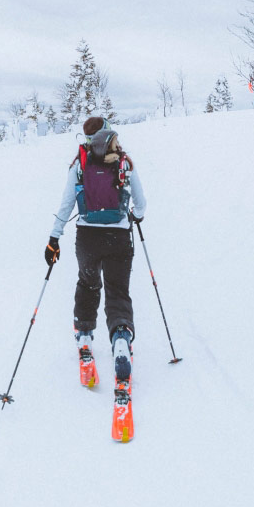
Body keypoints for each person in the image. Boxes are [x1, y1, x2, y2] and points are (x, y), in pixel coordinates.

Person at [45, 116, 147, 389]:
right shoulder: (124, 162)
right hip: (119, 236)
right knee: (117, 291)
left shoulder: (80, 164)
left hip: (87, 237)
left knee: (88, 285)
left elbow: (66, 204)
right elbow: (141, 204)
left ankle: (86, 338)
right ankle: (122, 339)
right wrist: (135, 216)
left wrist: (54, 238)